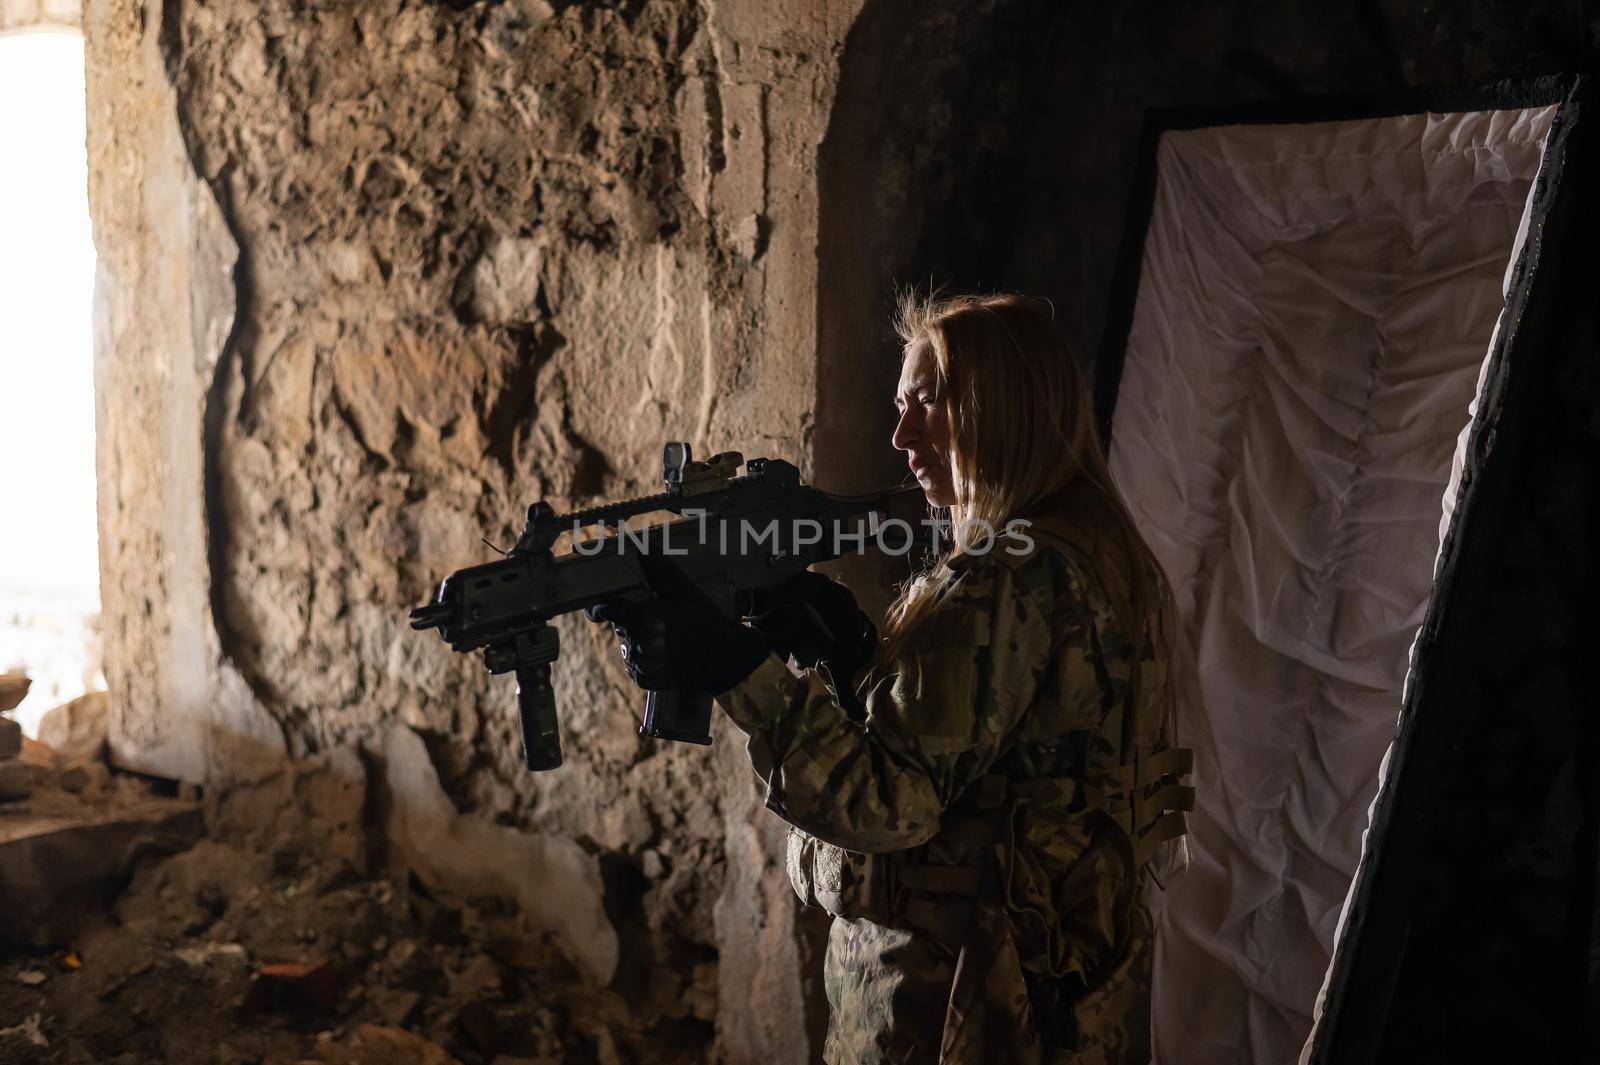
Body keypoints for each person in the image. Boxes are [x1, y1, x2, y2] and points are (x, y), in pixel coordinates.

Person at [589, 292, 1192, 1064]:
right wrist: (853, 660)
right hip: (1053, 986)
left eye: (930, 404)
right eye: (899, 407)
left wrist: (739, 669)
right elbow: (1003, 762)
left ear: (1003, 406)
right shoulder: (1093, 549)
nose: (901, 436)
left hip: (959, 1006)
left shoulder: (1007, 572)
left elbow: (887, 805)